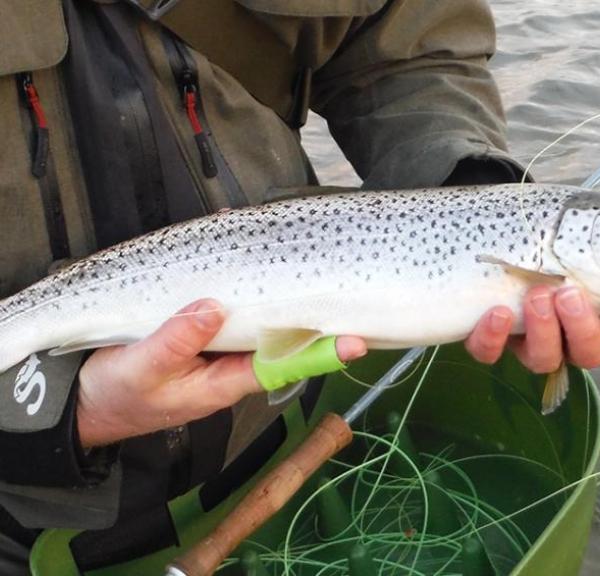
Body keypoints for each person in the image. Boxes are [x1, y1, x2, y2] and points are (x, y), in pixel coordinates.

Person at [1, 0, 600, 573]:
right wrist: (55, 413)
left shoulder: (542, 258)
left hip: (285, 437)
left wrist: (467, 186)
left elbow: (406, 47)